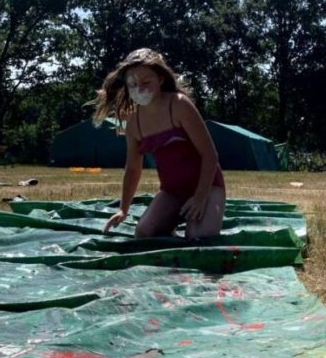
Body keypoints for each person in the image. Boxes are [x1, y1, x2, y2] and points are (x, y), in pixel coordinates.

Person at [91, 48, 225, 239]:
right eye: (133, 84)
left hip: (207, 187)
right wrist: (123, 209)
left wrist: (200, 197)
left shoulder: (179, 104)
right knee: (144, 233)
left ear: (160, 79)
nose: (140, 88)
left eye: (146, 82)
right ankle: (171, 227)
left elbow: (210, 154)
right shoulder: (133, 121)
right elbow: (133, 168)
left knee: (198, 238)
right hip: (172, 192)